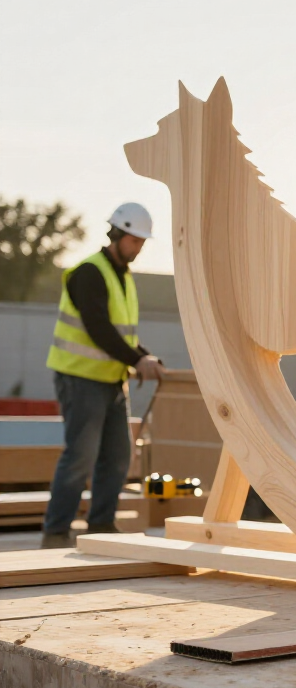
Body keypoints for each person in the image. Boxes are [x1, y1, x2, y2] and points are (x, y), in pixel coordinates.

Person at [41, 203, 164, 549]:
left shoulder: (122, 276)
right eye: (134, 241)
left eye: (142, 242)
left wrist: (145, 357)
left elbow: (121, 334)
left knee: (119, 456)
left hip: (111, 380)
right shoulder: (89, 273)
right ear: (117, 234)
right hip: (80, 379)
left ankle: (101, 526)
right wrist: (137, 361)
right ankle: (55, 533)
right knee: (80, 456)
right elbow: (98, 328)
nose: (138, 248)